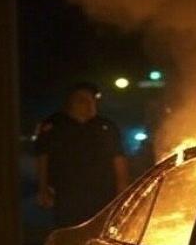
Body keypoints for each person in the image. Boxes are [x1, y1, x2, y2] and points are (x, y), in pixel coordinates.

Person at [35, 82, 130, 227]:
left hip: (102, 191)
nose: (89, 104)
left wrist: (122, 188)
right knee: (69, 227)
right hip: (67, 190)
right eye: (82, 100)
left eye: (91, 100)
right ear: (71, 102)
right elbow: (43, 157)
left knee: (101, 228)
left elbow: (118, 158)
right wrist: (43, 188)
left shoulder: (105, 126)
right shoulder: (55, 125)